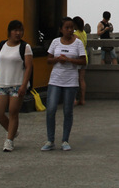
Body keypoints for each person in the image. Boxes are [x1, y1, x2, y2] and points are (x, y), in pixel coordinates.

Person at [0, 19, 33, 152]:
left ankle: (9, 140)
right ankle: (12, 130)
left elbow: (29, 67)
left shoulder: (25, 47)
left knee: (13, 112)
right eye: (15, 30)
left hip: (17, 84)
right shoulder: (1, 45)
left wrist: (24, 85)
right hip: (2, 84)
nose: (18, 33)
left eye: (20, 30)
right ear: (9, 32)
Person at [41, 17, 86, 152]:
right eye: (66, 27)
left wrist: (69, 60)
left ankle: (65, 140)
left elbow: (83, 61)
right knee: (51, 109)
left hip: (70, 81)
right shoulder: (55, 42)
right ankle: (50, 140)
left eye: (71, 27)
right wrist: (57, 59)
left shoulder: (77, 43)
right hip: (55, 80)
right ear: (61, 29)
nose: (70, 30)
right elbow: (48, 60)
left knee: (68, 110)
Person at [72, 16, 88, 106]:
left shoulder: (76, 35)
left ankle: (74, 99)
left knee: (74, 79)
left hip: (78, 57)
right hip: (85, 56)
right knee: (82, 79)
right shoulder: (84, 33)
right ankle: (82, 99)